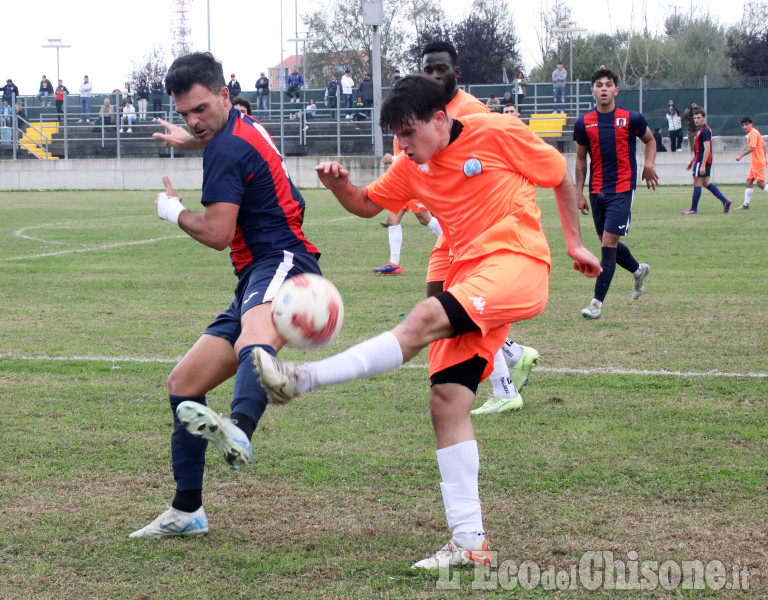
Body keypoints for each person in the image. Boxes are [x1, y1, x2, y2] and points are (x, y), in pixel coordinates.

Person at [252, 74, 601, 570]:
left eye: (409, 133)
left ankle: (301, 379)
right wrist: (340, 187)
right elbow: (368, 204)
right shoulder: (409, 165)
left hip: (517, 261)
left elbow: (559, 176)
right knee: (447, 401)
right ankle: (469, 542)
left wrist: (574, 243)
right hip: (468, 273)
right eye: (396, 136)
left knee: (420, 319)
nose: (403, 145)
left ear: (441, 119)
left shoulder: (497, 131)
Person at [130, 51, 321, 539]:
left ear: (223, 95)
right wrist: (195, 141)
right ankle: (187, 510)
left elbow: (217, 232)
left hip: (282, 262)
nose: (194, 122)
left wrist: (171, 211)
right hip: (256, 274)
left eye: (200, 110)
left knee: (251, 346)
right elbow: (232, 147)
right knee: (184, 383)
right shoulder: (241, 126)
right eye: (184, 115)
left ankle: (238, 427)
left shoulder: (225, 150)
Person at [385, 39, 542, 416]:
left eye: (441, 68)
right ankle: (514, 354)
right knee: (440, 304)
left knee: (453, 312)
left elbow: (493, 163)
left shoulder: (472, 111)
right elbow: (412, 169)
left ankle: (505, 388)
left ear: (456, 73)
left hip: (478, 232)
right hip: (450, 232)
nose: (435, 75)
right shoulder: (414, 111)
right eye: (428, 68)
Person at [573, 68, 657, 321]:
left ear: (616, 90)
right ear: (593, 91)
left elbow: (650, 140)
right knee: (607, 243)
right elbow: (580, 160)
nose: (604, 89)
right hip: (597, 191)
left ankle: (596, 303)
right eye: (599, 85)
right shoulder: (583, 122)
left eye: (609, 84)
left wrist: (649, 163)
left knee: (608, 245)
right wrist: (579, 191)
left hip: (622, 188)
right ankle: (638, 270)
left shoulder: (631, 118)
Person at [681, 108, 732, 215]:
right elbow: (699, 150)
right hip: (699, 159)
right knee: (706, 182)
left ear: (704, 118)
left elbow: (707, 148)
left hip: (702, 161)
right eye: (695, 118)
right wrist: (692, 161)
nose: (696, 120)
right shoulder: (701, 130)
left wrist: (702, 165)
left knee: (697, 181)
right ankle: (725, 201)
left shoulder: (705, 130)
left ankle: (693, 208)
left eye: (699, 118)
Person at [734, 116, 768, 210]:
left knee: (761, 184)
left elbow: (752, 147)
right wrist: (764, 159)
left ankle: (745, 205)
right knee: (749, 182)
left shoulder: (753, 133)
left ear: (751, 124)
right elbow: (763, 146)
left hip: (757, 163)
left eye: (746, 124)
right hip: (756, 163)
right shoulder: (756, 132)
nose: (745, 127)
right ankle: (745, 205)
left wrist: (741, 155)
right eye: (743, 125)